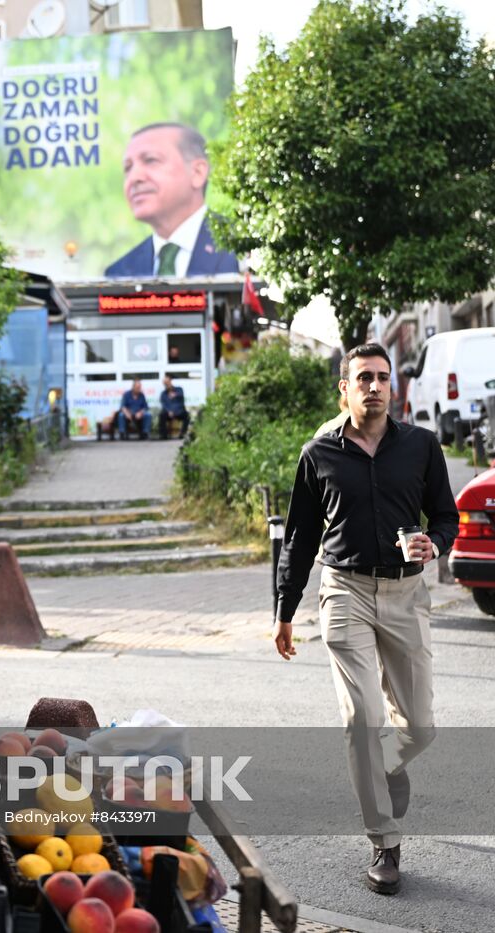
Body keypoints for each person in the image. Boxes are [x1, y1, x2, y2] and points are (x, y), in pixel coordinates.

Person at [273, 344, 458, 895]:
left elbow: (445, 514)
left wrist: (437, 543)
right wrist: (284, 609)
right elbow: (300, 536)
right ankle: (384, 842)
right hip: (344, 590)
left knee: (420, 726)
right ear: (345, 389)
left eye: (382, 378)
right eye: (363, 378)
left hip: (405, 593)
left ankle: (380, 768)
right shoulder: (318, 454)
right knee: (361, 718)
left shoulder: (422, 446)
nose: (374, 386)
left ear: (392, 388)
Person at [105, 123, 240, 278]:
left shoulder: (245, 248)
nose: (134, 177)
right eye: (127, 168)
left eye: (150, 160)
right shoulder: (119, 273)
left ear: (198, 172)